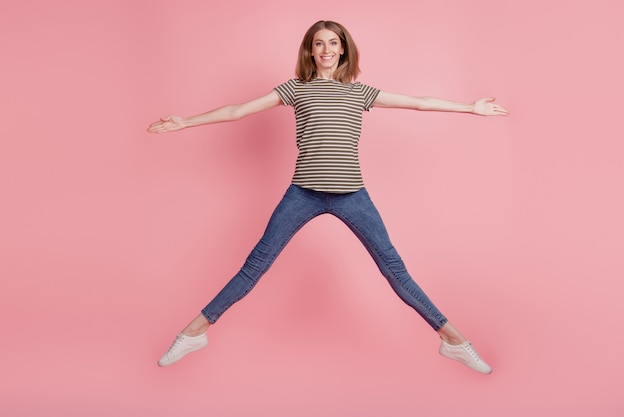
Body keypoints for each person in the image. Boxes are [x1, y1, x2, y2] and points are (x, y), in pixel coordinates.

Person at [148, 20, 509, 374]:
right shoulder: (296, 89)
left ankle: (454, 341)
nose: (327, 50)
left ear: (344, 49)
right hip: (303, 193)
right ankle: (194, 332)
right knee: (255, 266)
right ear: (310, 50)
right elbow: (237, 111)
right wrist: (186, 121)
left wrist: (470, 107)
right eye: (319, 43)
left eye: (333, 43)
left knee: (394, 269)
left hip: (352, 194)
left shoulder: (359, 93)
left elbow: (419, 103)